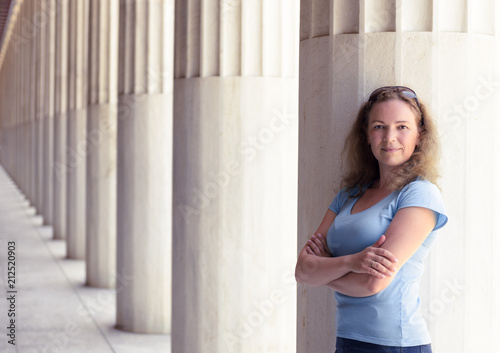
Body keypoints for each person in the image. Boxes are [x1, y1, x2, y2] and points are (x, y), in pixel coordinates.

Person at [295, 86, 448, 353]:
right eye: (379, 126)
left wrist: (324, 271)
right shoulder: (347, 196)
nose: (390, 138)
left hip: (396, 344)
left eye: (402, 127)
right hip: (346, 340)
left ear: (420, 135)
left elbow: (372, 282)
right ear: (366, 135)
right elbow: (302, 269)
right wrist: (353, 262)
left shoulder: (420, 193)